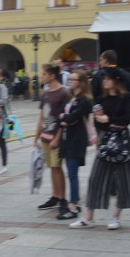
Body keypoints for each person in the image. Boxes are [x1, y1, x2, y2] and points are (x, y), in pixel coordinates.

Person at [70, 67, 130, 230]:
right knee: (96, 177)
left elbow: (129, 118)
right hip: (106, 140)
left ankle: (116, 217)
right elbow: (99, 122)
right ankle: (88, 217)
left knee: (123, 180)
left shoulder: (126, 97)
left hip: (122, 142)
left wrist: (110, 119)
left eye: (107, 78)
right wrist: (103, 120)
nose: (104, 81)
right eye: (103, 78)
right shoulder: (102, 99)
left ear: (116, 81)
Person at [58, 71, 96, 221]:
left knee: (72, 174)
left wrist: (65, 118)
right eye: (70, 79)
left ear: (81, 82)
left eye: (73, 79)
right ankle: (74, 202)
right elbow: (63, 117)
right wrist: (65, 119)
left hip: (76, 140)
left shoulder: (85, 100)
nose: (70, 81)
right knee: (71, 173)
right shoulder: (72, 98)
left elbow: (71, 117)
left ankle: (73, 206)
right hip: (68, 139)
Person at [34, 64, 71, 217]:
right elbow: (42, 116)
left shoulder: (64, 93)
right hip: (45, 135)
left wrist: (57, 137)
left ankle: (62, 198)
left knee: (57, 167)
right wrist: (37, 136)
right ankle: (55, 195)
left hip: (56, 136)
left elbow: (65, 118)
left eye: (44, 74)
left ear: (52, 76)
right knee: (51, 167)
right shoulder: (45, 94)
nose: (42, 76)